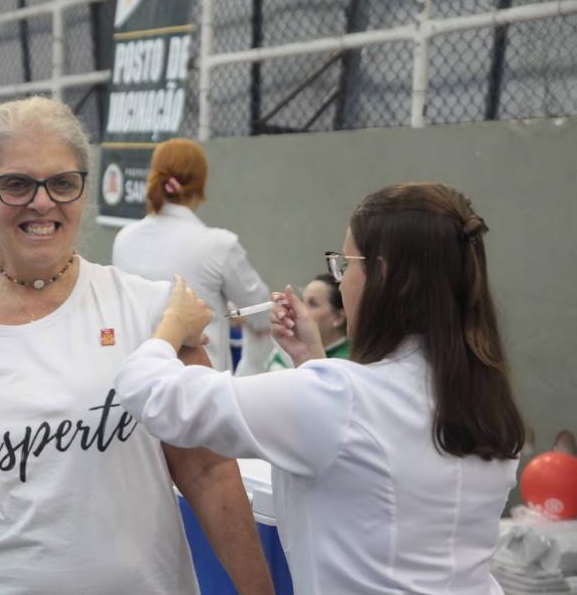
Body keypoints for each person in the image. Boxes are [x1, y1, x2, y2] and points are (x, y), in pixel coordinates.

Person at [0, 96, 274, 595]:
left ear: (84, 191)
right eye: (17, 184)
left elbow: (211, 475)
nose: (42, 202)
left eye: (62, 183)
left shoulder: (152, 315)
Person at [114, 182, 525, 595]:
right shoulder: (486, 402)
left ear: (383, 275)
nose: (341, 284)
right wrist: (311, 361)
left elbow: (152, 393)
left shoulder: (340, 399)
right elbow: (364, 467)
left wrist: (172, 324)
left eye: (345, 266)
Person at [112, 138, 270, 372]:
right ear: (201, 183)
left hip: (137, 382)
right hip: (200, 390)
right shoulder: (218, 245)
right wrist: (237, 313)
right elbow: (263, 314)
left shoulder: (124, 239)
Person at [265, 274, 347, 370]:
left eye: (313, 304)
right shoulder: (286, 349)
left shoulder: (348, 364)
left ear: (338, 317)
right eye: (302, 301)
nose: (301, 309)